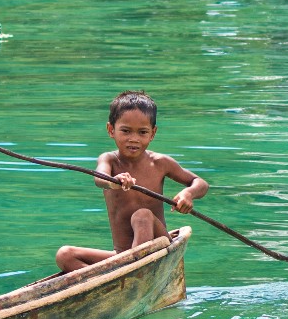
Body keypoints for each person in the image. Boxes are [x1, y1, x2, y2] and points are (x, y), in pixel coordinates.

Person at [55, 91, 207, 274]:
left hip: (157, 246)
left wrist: (187, 194)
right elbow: (99, 178)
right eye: (126, 131)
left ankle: (131, 273)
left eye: (142, 132)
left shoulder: (160, 163)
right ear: (111, 130)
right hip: (122, 256)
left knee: (142, 215)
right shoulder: (110, 160)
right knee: (65, 255)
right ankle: (114, 281)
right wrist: (114, 181)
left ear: (152, 133)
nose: (133, 139)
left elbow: (200, 183)